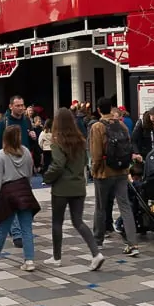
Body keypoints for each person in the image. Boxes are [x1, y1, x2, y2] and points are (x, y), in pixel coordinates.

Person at [42, 108, 104, 270]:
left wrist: (47, 178)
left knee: (57, 222)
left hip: (61, 188)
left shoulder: (57, 142)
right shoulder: (80, 140)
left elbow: (58, 164)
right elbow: (84, 162)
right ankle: (96, 253)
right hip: (78, 186)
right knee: (78, 221)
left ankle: (57, 257)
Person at [0, 125, 38, 271]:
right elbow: (29, 173)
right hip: (24, 190)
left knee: (3, 228)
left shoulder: (1, 155)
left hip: (8, 193)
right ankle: (29, 260)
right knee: (26, 229)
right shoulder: (26, 153)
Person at [90, 97, 140, 257]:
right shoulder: (122, 125)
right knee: (125, 206)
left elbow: (96, 154)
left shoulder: (97, 127)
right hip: (122, 172)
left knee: (100, 207)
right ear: (111, 109)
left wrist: (94, 170)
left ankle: (97, 241)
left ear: (98, 110)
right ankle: (132, 243)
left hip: (104, 172)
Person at [0, 96, 36, 248]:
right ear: (11, 106)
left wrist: (33, 137)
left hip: (24, 165)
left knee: (23, 199)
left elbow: (30, 142)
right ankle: (17, 233)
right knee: (11, 199)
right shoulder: (3, 123)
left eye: (23, 105)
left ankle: (17, 231)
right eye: (18, 105)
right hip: (8, 167)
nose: (21, 108)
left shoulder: (26, 121)